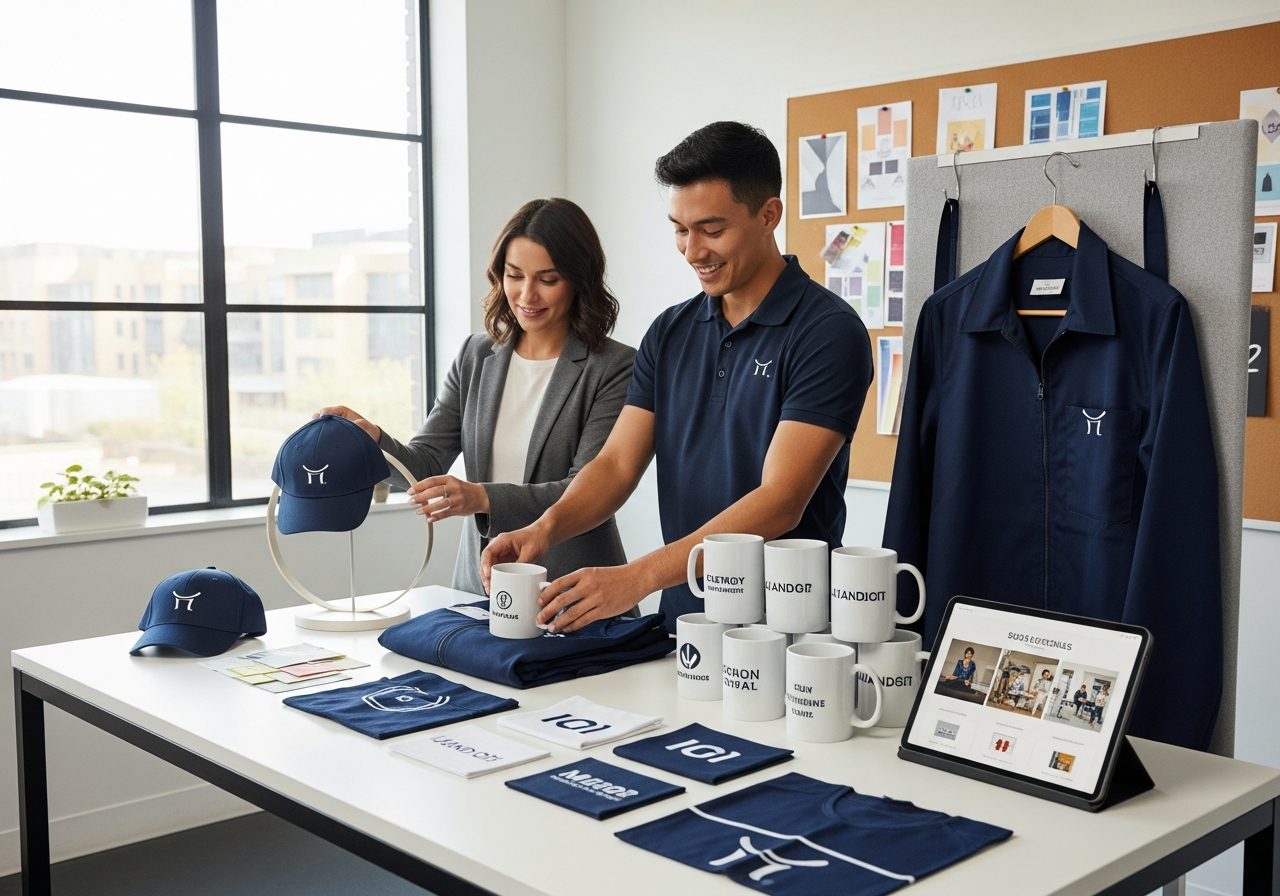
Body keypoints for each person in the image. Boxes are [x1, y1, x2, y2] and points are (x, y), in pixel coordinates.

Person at [479, 122, 873, 633]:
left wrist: (636, 577)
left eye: (712, 230)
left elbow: (780, 502)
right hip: (685, 625)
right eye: (679, 230)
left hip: (791, 634)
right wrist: (544, 528)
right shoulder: (670, 331)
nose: (692, 251)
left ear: (769, 215)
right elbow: (618, 464)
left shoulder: (828, 332)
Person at [322, 199, 636, 596]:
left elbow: (588, 490)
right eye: (514, 275)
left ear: (579, 280)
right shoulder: (476, 354)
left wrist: (479, 496)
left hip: (575, 589)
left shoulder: (615, 367)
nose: (526, 295)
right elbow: (425, 465)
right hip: (480, 590)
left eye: (548, 279)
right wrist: (374, 443)